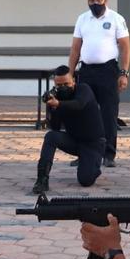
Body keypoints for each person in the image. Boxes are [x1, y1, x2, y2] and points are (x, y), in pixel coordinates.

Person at [68, 0, 130, 168]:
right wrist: (70, 74)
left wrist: (124, 73)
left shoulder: (116, 19)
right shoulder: (82, 19)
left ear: (106, 0)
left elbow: (125, 47)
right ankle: (83, 153)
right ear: (88, 1)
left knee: (108, 113)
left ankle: (108, 154)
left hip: (108, 71)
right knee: (83, 113)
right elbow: (75, 48)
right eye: (92, 0)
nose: (95, 3)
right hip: (86, 71)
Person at [32, 65, 105, 194]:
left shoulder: (83, 89)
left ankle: (93, 163)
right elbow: (55, 127)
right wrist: (53, 109)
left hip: (93, 144)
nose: (64, 88)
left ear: (74, 81)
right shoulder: (57, 98)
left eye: (67, 84)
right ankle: (42, 179)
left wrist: (59, 104)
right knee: (50, 136)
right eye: (59, 85)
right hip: (74, 140)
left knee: (85, 180)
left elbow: (79, 104)